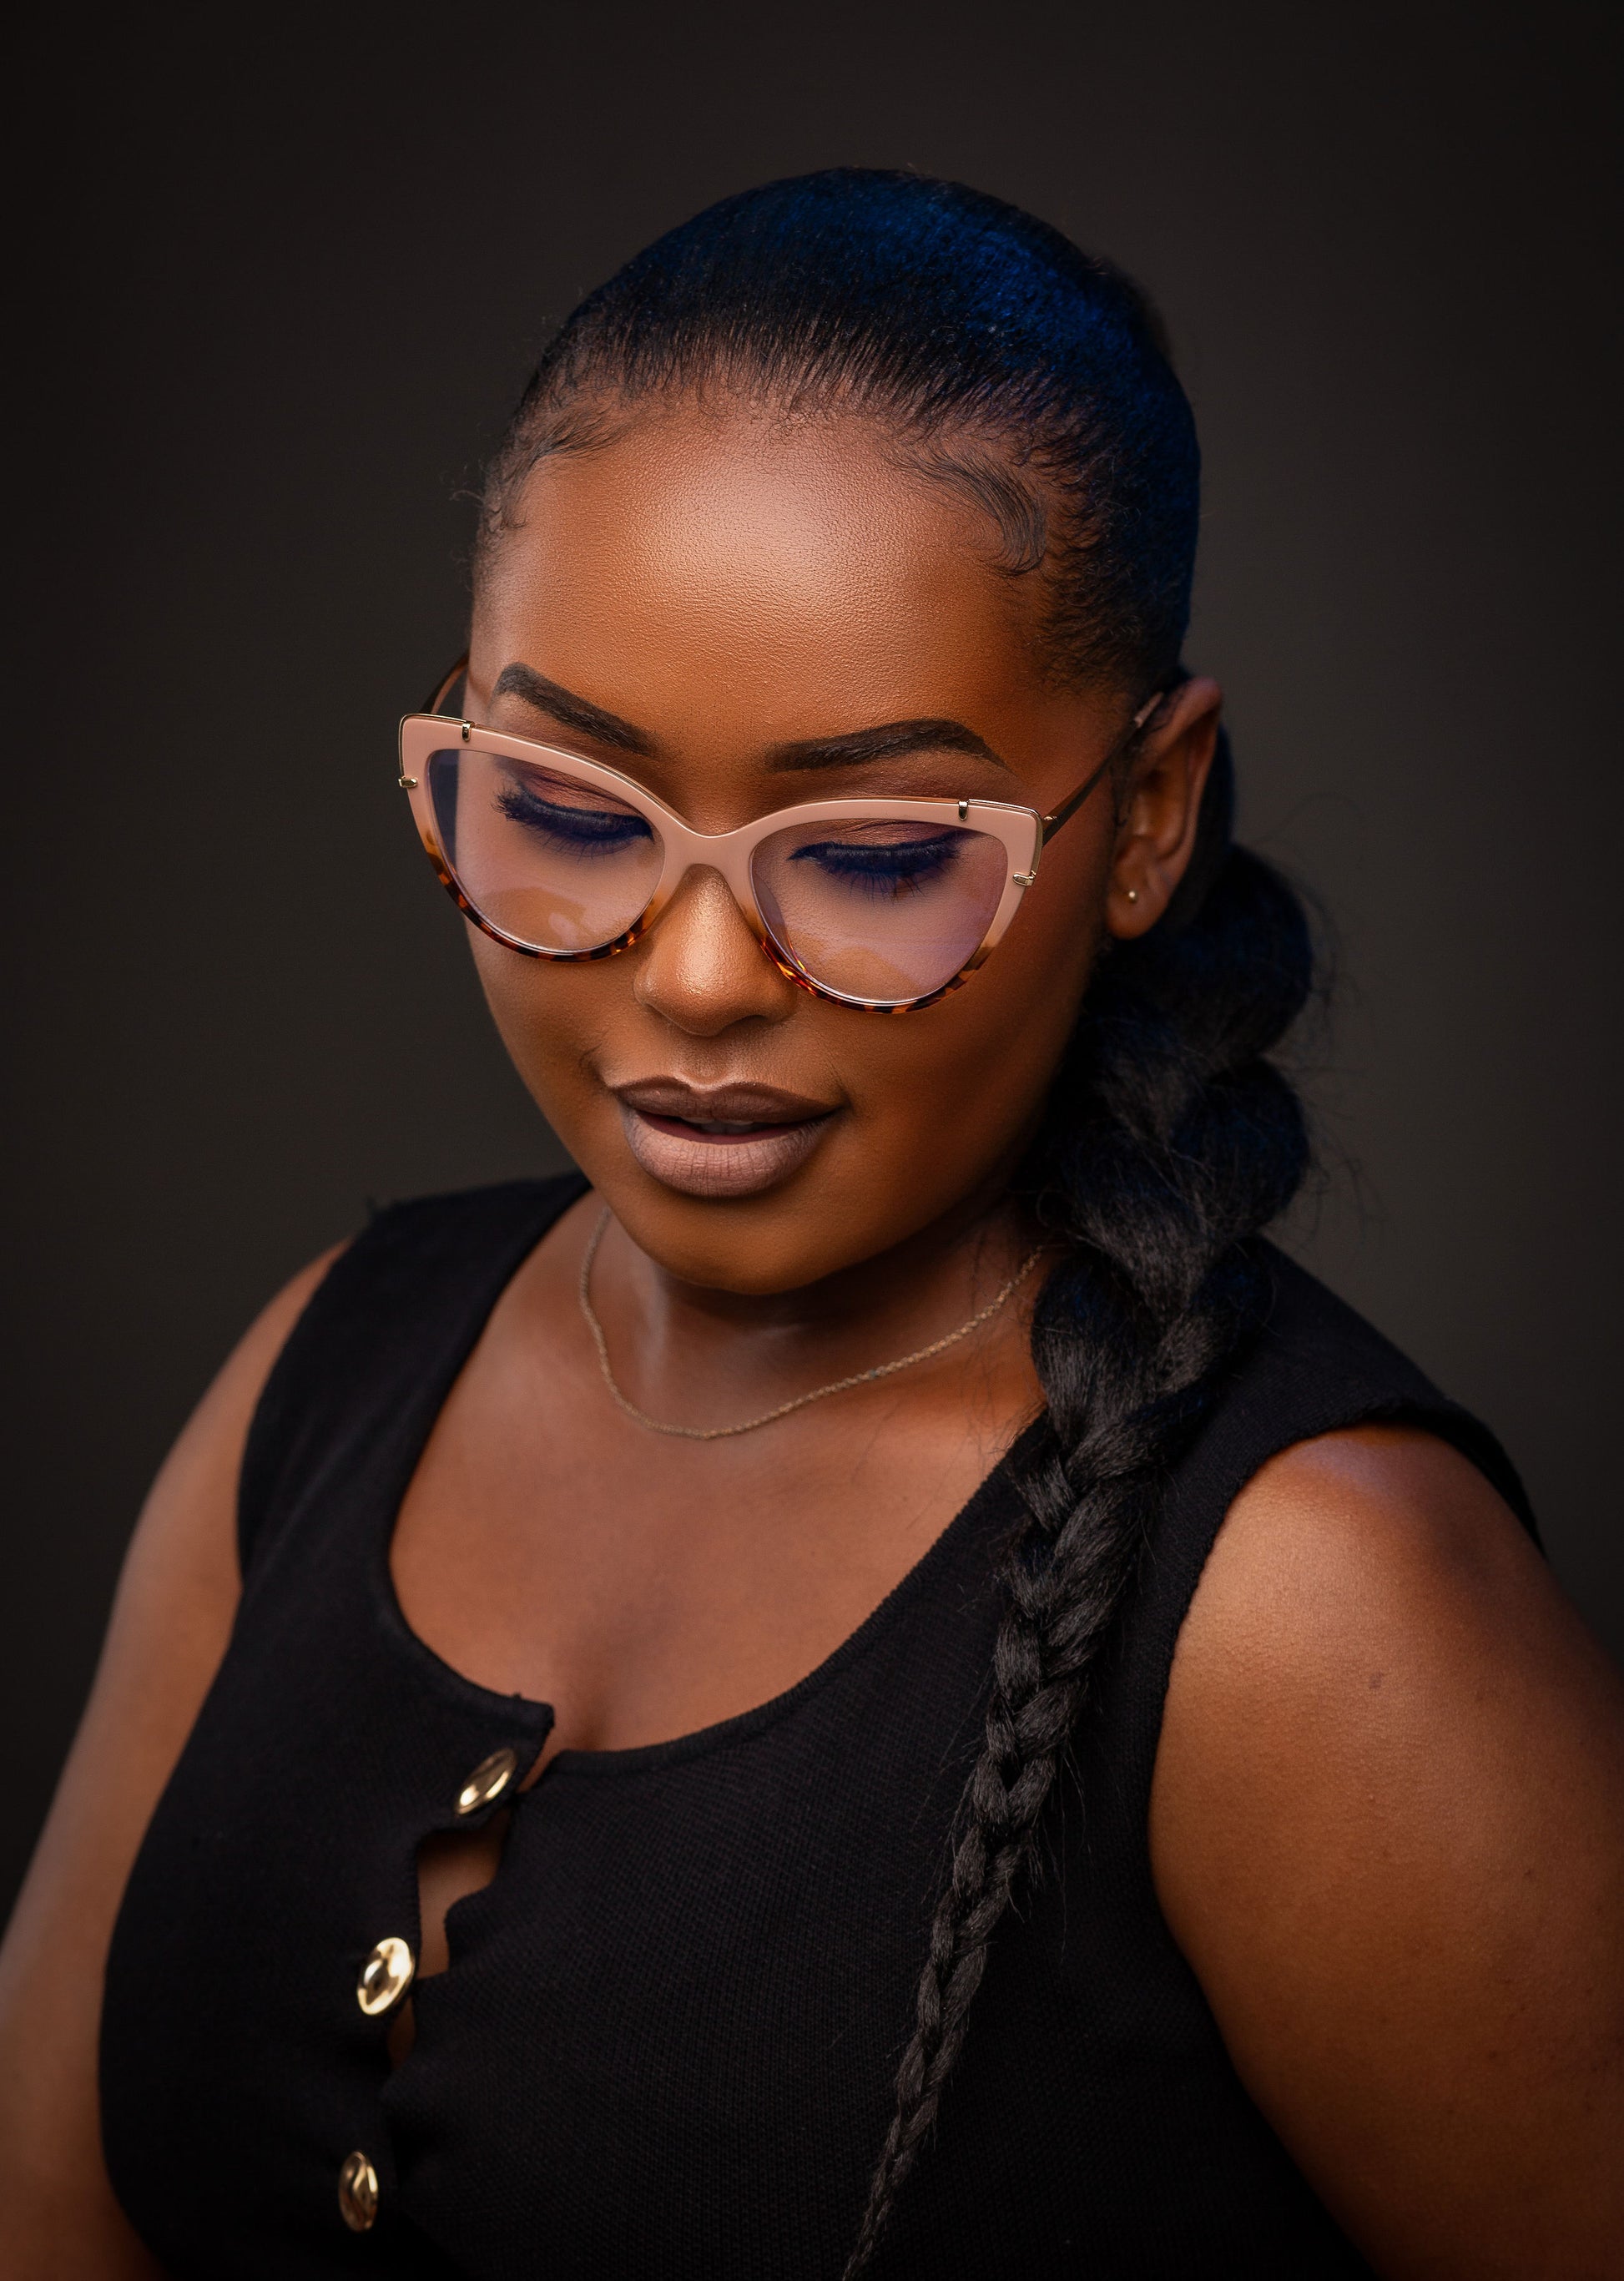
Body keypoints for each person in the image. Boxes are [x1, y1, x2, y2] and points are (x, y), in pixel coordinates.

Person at [1, 169, 1620, 2281]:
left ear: (1143, 814)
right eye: (563, 809)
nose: (693, 979)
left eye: (866, 855)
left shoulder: (1313, 1608)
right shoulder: (327, 1369)